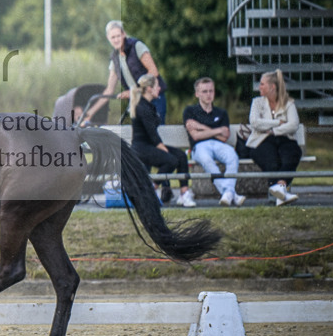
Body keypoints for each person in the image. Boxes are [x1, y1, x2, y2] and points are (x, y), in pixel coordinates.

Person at [82, 20, 167, 125]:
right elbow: (109, 90)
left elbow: (153, 72)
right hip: (137, 102)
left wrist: (133, 90)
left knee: (154, 134)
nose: (116, 40)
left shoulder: (136, 46)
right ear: (108, 38)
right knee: (140, 135)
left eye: (118, 36)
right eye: (113, 37)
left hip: (153, 97)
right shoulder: (114, 59)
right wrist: (90, 112)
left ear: (124, 34)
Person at [130, 73, 194, 207]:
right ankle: (151, 189)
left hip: (150, 146)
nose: (159, 89)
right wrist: (165, 151)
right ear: (149, 88)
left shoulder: (149, 105)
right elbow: (153, 136)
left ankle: (184, 194)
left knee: (181, 156)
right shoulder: (142, 107)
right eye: (157, 86)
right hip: (141, 148)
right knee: (171, 160)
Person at [183, 77, 244, 207]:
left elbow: (225, 136)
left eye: (211, 91)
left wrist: (201, 127)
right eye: (204, 91)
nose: (208, 94)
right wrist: (217, 130)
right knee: (206, 159)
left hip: (219, 145)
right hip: (199, 147)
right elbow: (195, 136)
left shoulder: (221, 112)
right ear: (197, 94)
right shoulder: (190, 111)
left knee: (233, 156)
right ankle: (230, 193)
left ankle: (228, 193)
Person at [247, 69, 301, 206]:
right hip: (261, 141)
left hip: (283, 139)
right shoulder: (257, 102)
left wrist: (274, 131)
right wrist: (277, 123)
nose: (259, 87)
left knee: (293, 153)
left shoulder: (288, 103)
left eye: (262, 84)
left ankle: (280, 188)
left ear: (272, 87)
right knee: (271, 158)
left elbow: (294, 125)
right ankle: (281, 192)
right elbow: (254, 123)